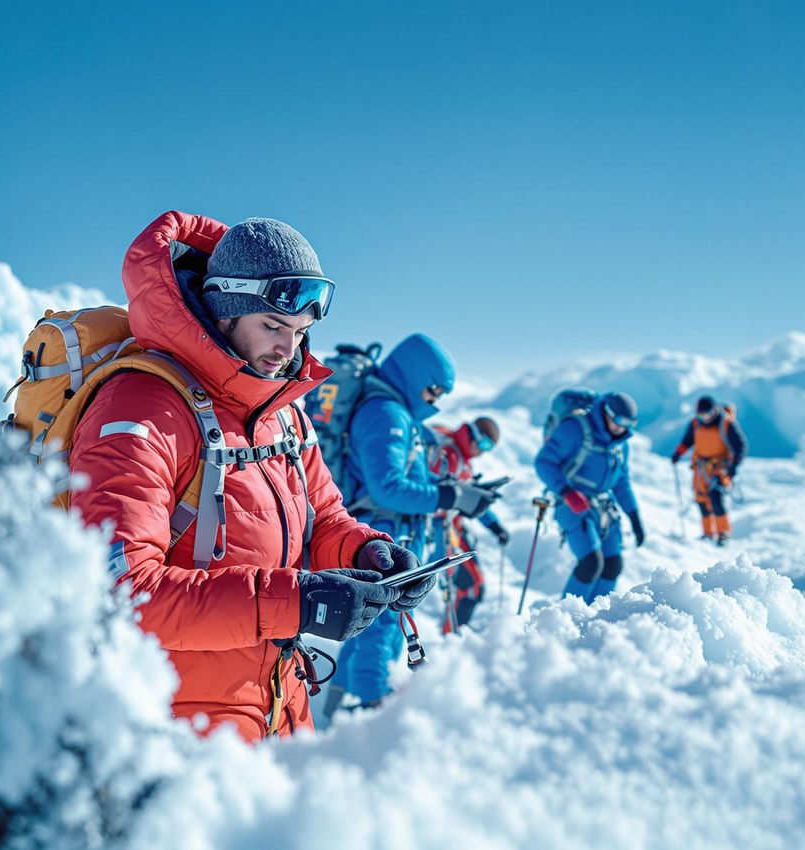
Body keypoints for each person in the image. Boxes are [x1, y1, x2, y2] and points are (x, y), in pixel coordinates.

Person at [69, 212, 434, 742]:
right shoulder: (142, 408)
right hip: (174, 730)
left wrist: (366, 552)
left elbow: (324, 518)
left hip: (278, 703)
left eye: (301, 333)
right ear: (224, 310)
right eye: (272, 327)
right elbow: (124, 591)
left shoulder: (280, 410)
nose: (288, 352)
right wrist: (300, 602)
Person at [325, 334, 500, 714]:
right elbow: (388, 488)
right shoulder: (385, 414)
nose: (435, 402)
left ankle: (335, 707)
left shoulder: (395, 412)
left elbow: (412, 477)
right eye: (433, 390)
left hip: (388, 534)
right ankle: (369, 704)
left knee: (366, 620)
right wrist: (449, 498)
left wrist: (456, 491)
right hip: (385, 537)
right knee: (384, 622)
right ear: (416, 376)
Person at [534, 391, 644, 603]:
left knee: (613, 565)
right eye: (620, 421)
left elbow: (621, 481)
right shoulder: (575, 429)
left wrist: (634, 516)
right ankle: (566, 618)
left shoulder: (620, 443)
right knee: (590, 564)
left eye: (629, 423)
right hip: (573, 506)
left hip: (604, 507)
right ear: (607, 413)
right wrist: (566, 491)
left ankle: (596, 616)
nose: (623, 428)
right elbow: (544, 463)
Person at [428, 417, 510, 632]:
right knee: (471, 588)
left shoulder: (460, 459)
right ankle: (451, 641)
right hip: (442, 533)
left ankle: (452, 639)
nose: (484, 452)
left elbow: (469, 500)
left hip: (451, 530)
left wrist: (495, 526)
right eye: (484, 445)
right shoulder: (449, 456)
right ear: (473, 435)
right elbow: (435, 499)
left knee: (472, 588)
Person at [671, 395, 748, 545]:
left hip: (720, 467)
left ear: (714, 411)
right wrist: (678, 454)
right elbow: (687, 441)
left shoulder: (726, 423)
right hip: (701, 468)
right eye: (700, 415)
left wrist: (733, 468)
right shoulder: (695, 424)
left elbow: (741, 446)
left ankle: (723, 533)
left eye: (706, 414)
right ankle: (708, 533)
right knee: (701, 499)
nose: (704, 418)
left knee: (715, 495)